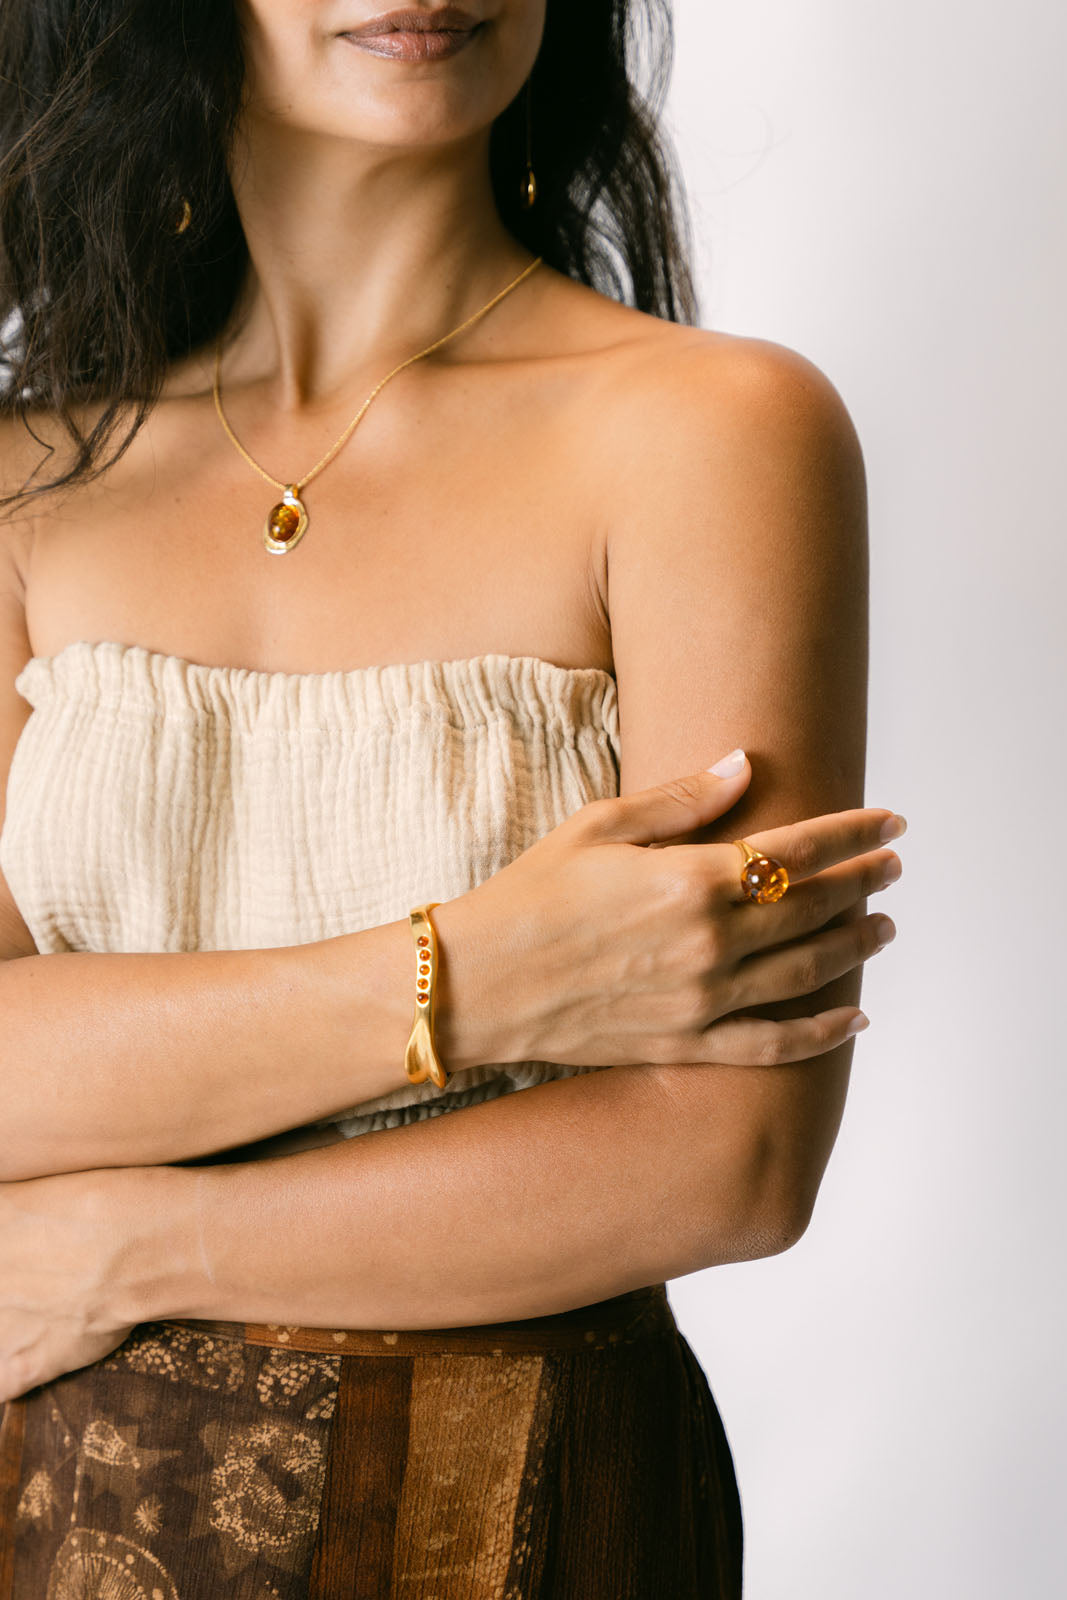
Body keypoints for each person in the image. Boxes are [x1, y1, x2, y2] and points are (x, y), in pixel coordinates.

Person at [0, 1, 904, 1595]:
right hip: (50, 1511)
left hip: (521, 1521)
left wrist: (121, 1244)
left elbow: (728, 1156)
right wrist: (477, 973)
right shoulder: (31, 485)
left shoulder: (716, 433)